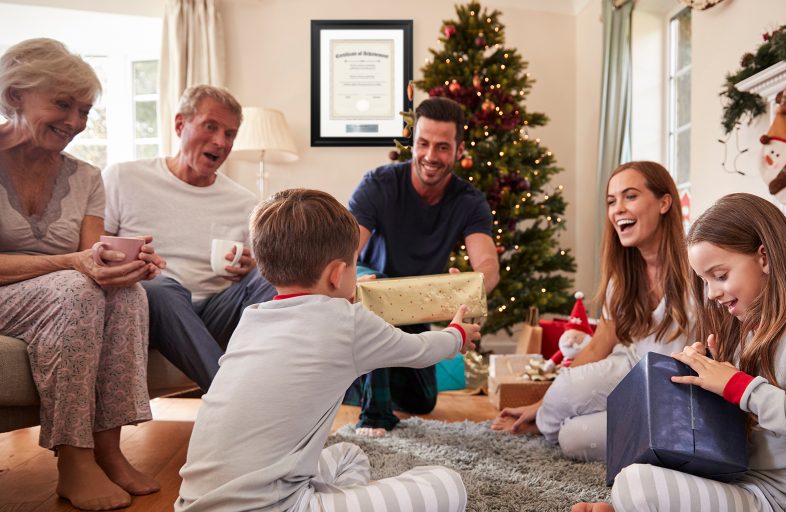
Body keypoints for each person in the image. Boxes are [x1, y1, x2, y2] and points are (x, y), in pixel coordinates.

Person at [575, 193, 786, 512]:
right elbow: (741, 428)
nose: (711, 293)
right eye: (705, 281)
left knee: (636, 483)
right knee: (635, 472)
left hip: (782, 501)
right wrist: (706, 381)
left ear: (764, 257)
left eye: (720, 276)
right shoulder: (744, 328)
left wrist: (738, 386)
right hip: (733, 480)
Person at [176, 188, 477, 512]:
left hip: (195, 503)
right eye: (354, 265)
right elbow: (421, 350)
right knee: (449, 485)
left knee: (350, 455)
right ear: (337, 274)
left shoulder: (252, 318)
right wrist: (458, 335)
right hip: (274, 506)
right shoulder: (348, 323)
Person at [0, 38, 165, 510]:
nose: (74, 121)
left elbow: (91, 257)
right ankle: (73, 456)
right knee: (77, 289)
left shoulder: (87, 177)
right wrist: (74, 264)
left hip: (59, 292)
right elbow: (76, 265)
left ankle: (108, 451)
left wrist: (128, 264)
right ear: (15, 95)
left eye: (85, 111)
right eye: (62, 104)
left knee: (128, 294)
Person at [492, 161, 693, 461]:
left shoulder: (697, 269)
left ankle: (549, 423)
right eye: (611, 201)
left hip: (678, 392)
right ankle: (544, 420)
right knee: (568, 417)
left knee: (574, 439)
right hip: (631, 370)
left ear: (664, 203)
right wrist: (541, 403)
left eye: (630, 196)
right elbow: (600, 344)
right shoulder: (622, 278)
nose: (618, 209)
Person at [103, 84, 275, 392]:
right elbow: (95, 251)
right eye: (210, 127)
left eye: (230, 134)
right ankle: (231, 394)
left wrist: (249, 268)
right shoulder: (123, 178)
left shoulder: (244, 202)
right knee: (160, 289)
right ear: (180, 124)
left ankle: (277, 383)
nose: (221, 142)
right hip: (150, 309)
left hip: (214, 313)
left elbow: (254, 278)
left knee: (272, 275)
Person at [346, 96, 499, 436]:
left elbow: (488, 264)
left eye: (442, 147)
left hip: (418, 306)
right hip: (372, 290)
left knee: (423, 401)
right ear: (412, 143)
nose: (430, 156)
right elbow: (346, 250)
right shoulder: (378, 185)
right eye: (423, 144)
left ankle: (350, 380)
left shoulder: (469, 201)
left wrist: (472, 287)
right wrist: (354, 283)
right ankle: (374, 415)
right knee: (379, 292)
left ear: (459, 150)